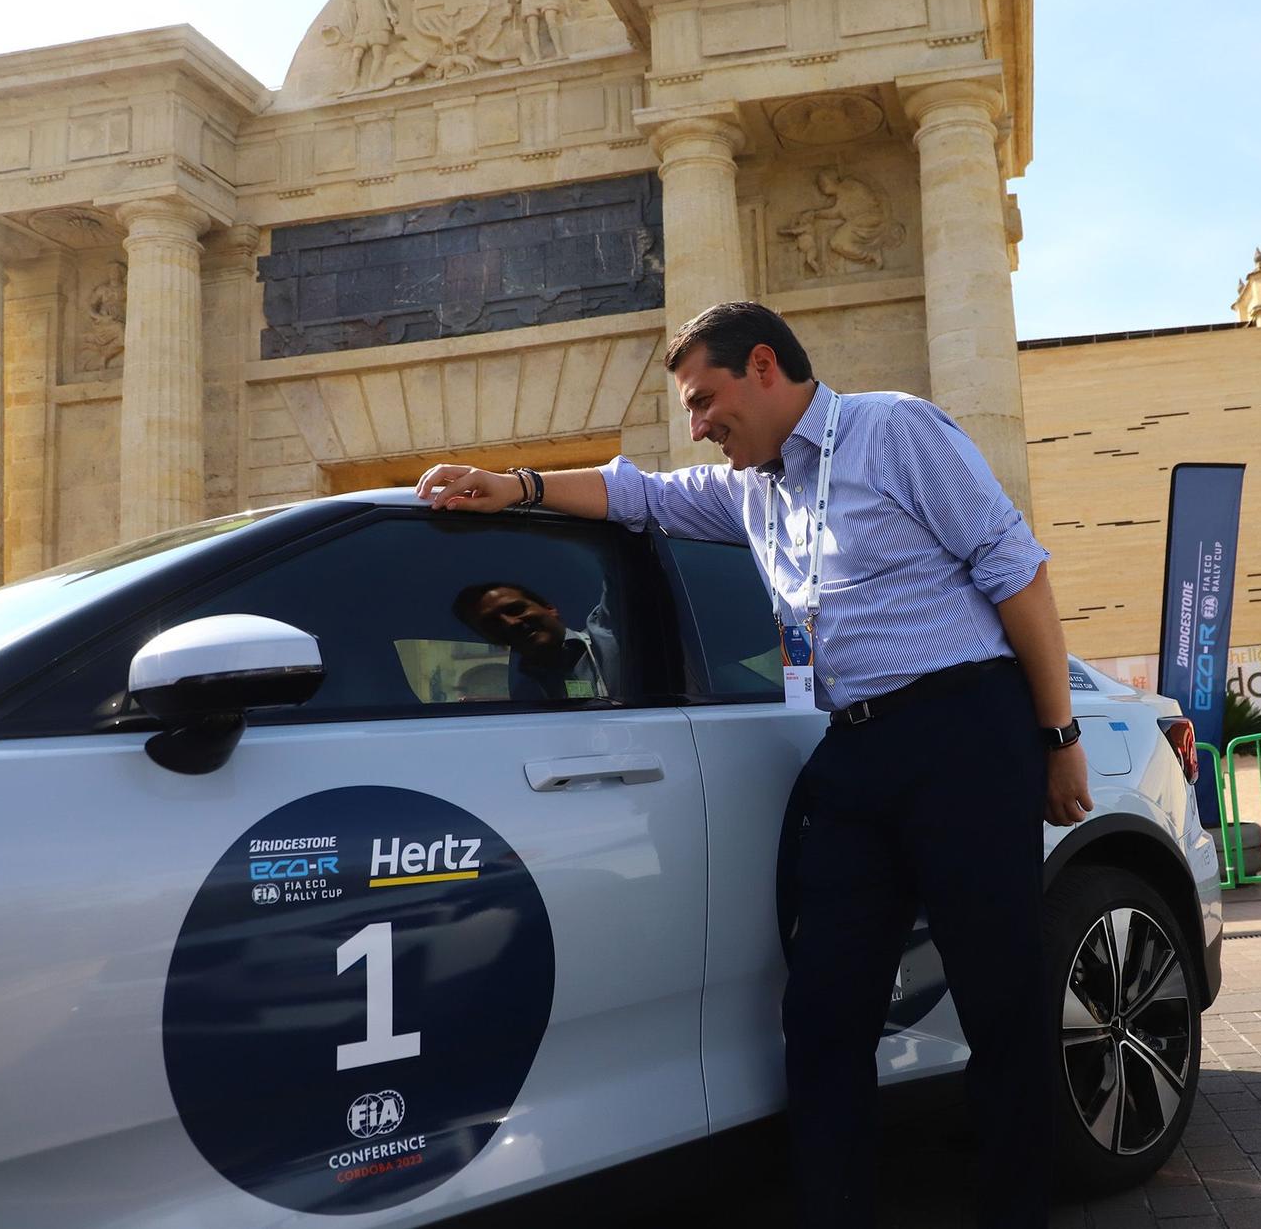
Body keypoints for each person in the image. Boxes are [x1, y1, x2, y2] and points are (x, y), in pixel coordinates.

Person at [416, 300, 1090, 1228]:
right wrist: (515, 486)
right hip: (853, 751)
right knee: (822, 1014)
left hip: (963, 733)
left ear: (764, 366)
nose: (697, 425)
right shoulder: (752, 492)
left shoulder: (894, 428)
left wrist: (1057, 738)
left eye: (704, 400)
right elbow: (636, 495)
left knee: (999, 1000)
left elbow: (1018, 573)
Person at [450, 581, 607, 701]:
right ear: (491, 639)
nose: (511, 623)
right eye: (493, 624)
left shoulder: (612, 635)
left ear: (550, 608)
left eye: (515, 610)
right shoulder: (525, 696)